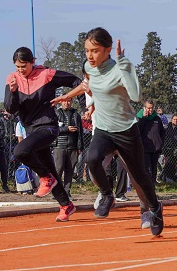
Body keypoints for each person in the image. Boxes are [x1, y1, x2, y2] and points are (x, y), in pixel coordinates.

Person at [51, 28, 164, 236]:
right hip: (104, 129)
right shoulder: (89, 67)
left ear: (108, 50)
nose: (89, 55)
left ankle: (154, 208)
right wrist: (68, 96)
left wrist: (124, 65)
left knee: (139, 176)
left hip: (126, 130)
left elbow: (136, 96)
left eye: (95, 51)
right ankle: (107, 194)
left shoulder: (119, 69)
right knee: (92, 159)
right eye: (87, 50)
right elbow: (88, 84)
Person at [4, 47, 81, 222]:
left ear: (32, 62)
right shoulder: (12, 78)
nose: (21, 70)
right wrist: (13, 91)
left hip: (48, 127)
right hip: (31, 130)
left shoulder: (46, 74)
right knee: (50, 169)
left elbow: (75, 81)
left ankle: (45, 177)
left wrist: (82, 102)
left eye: (24, 66)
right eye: (17, 67)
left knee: (20, 151)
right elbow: (10, 108)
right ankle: (66, 205)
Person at [52, 98, 83, 195]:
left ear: (71, 102)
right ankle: (57, 191)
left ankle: (67, 191)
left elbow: (80, 132)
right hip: (59, 145)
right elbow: (52, 129)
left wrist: (79, 147)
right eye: (65, 101)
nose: (67, 103)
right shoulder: (56, 113)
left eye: (69, 101)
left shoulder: (76, 115)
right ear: (61, 102)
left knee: (70, 170)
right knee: (58, 169)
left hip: (72, 146)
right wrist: (66, 129)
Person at [136, 99, 165, 181]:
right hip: (145, 148)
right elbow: (138, 131)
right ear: (144, 108)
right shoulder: (139, 118)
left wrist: (160, 143)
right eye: (148, 108)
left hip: (155, 148)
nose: (150, 110)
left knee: (154, 167)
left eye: (152, 108)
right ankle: (148, 185)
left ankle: (153, 184)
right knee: (147, 168)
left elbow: (162, 132)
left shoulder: (157, 118)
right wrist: (144, 118)